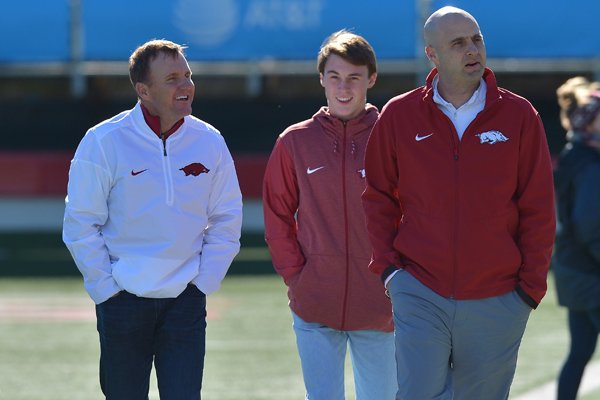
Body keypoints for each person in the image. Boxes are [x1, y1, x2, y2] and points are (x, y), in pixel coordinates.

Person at [362, 6, 556, 399]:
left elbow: (538, 207)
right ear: (432, 55)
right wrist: (391, 272)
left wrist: (527, 290)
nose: (472, 50)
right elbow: (378, 197)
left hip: (499, 296)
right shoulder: (399, 114)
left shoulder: (519, 115)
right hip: (418, 288)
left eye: (476, 39)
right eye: (458, 43)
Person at [62, 39, 243, 399]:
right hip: (122, 303)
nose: (186, 86)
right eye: (173, 78)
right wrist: (107, 291)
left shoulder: (210, 140)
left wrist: (202, 284)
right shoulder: (102, 141)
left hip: (185, 303)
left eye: (187, 75)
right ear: (143, 90)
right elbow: (81, 223)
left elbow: (226, 217)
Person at [262, 30, 397, 400]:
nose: (344, 87)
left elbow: (416, 214)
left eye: (354, 77)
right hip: (314, 306)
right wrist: (298, 278)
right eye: (334, 76)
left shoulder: (393, 137)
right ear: (321, 79)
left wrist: (399, 281)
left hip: (382, 309)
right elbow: (276, 217)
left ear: (371, 79)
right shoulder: (294, 141)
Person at [553, 77, 600, 400]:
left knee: (580, 351)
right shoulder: (589, 163)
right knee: (580, 352)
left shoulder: (573, 154)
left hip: (573, 270)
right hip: (589, 273)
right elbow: (590, 226)